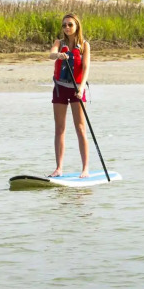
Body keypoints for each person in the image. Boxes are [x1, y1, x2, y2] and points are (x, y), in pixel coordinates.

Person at [48, 13, 91, 178]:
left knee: (80, 128)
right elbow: (51, 54)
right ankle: (59, 168)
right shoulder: (59, 43)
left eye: (70, 24)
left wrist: (81, 88)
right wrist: (58, 55)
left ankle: (85, 169)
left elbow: (86, 68)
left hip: (76, 90)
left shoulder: (84, 45)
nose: (67, 27)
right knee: (59, 128)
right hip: (60, 88)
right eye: (64, 25)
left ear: (77, 26)